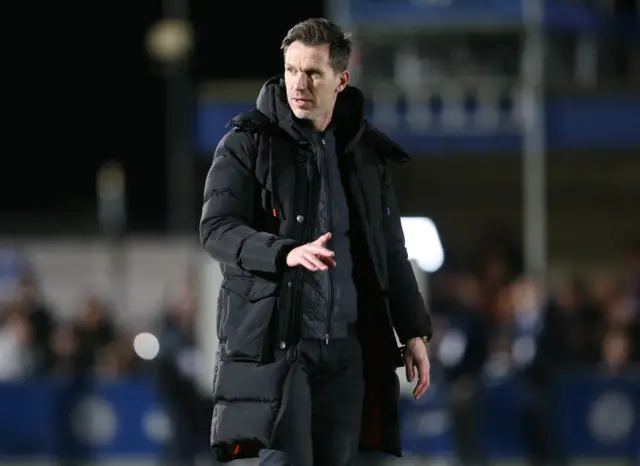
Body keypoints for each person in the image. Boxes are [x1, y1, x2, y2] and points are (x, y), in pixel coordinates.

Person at [199, 18, 432, 466]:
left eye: (313, 73)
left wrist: (414, 331)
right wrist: (284, 252)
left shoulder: (366, 156)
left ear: (341, 79)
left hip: (348, 352)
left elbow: (389, 254)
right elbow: (216, 229)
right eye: (291, 70)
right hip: (280, 348)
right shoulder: (246, 144)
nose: (298, 83)